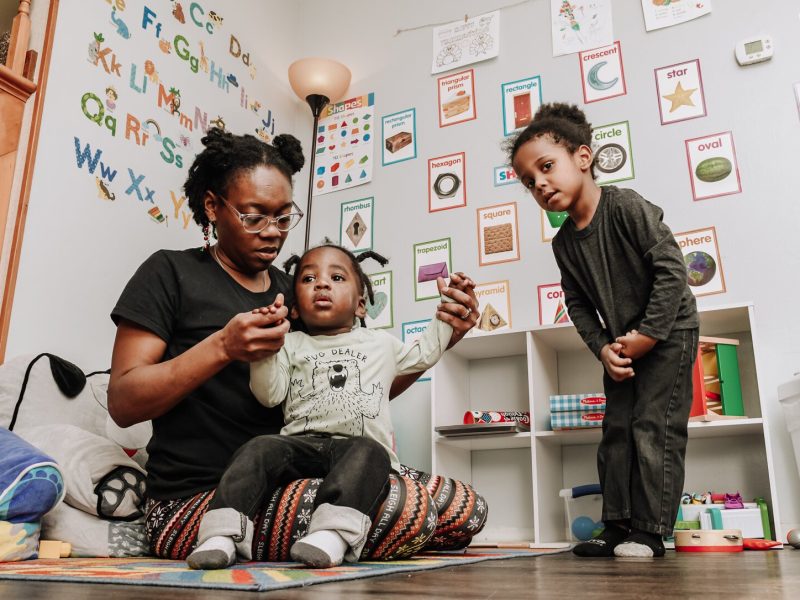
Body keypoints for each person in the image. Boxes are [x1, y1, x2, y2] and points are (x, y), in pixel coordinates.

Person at [107, 128, 480, 562]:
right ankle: (235, 537)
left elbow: (351, 381)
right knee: (408, 514)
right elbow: (124, 402)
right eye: (254, 216)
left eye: (284, 217)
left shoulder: (297, 290)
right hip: (201, 498)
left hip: (305, 470)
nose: (273, 232)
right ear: (213, 206)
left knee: (465, 509)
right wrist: (223, 346)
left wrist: (448, 333)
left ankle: (338, 527)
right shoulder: (170, 273)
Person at [186, 243, 463, 569]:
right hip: (300, 445)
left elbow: (424, 355)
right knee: (259, 447)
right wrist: (265, 350)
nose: (321, 284)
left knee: (372, 451)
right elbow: (269, 396)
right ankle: (220, 535)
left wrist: (447, 311)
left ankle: (331, 536)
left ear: (361, 306)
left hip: (354, 450)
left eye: (336, 277)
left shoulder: (381, 343)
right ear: (295, 310)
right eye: (308, 279)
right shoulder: (289, 343)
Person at [508, 103, 699, 558]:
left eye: (546, 167)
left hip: (670, 333)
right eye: (528, 181)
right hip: (622, 347)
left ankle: (650, 531)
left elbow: (673, 270)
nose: (539, 184)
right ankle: (616, 524)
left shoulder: (626, 206)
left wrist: (650, 334)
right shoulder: (563, 244)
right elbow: (576, 304)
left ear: (583, 157)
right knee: (616, 429)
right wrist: (603, 352)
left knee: (654, 427)